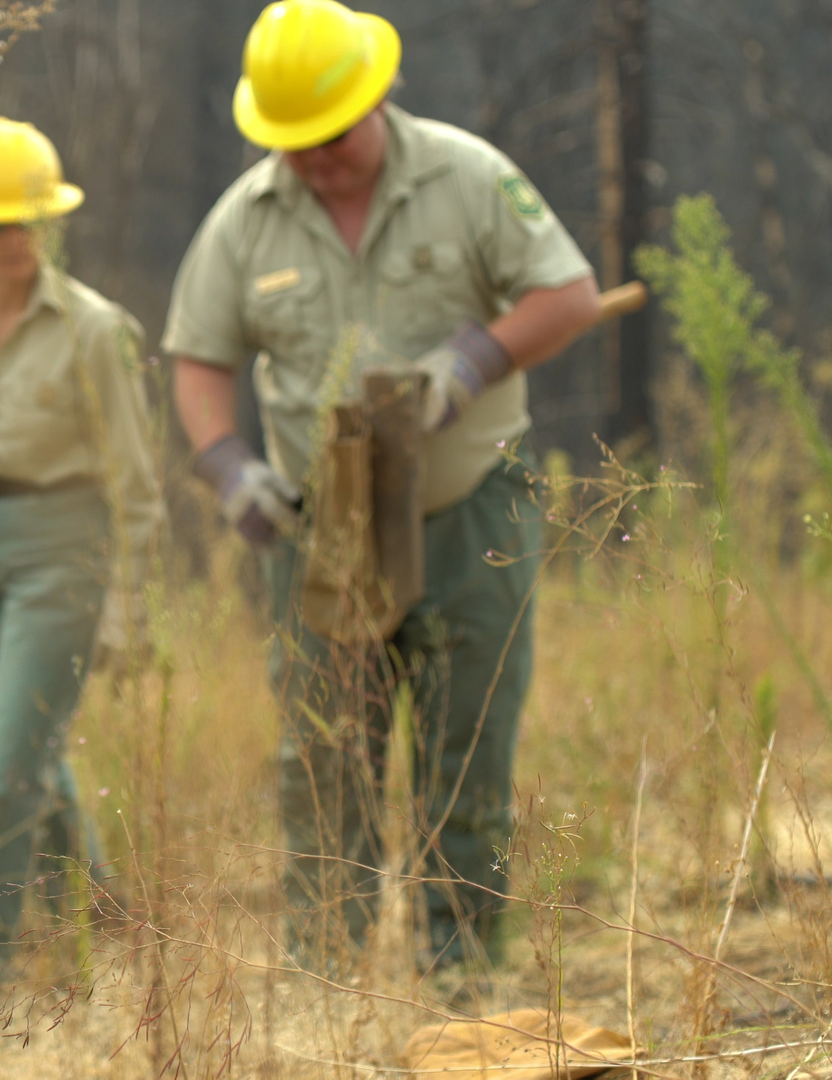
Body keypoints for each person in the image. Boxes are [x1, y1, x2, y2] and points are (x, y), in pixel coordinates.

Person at [164, 0, 601, 967]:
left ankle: (461, 976)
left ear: (379, 95)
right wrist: (230, 468)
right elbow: (198, 359)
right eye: (293, 143)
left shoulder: (468, 175)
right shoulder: (245, 221)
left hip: (467, 512)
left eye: (331, 136)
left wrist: (473, 361)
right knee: (326, 760)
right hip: (325, 532)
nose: (314, 159)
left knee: (466, 748)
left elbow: (567, 294)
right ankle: (332, 980)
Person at [0, 118, 162, 992]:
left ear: (50, 223)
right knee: (25, 747)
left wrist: (132, 605)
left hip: (63, 547)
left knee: (8, 760)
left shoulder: (97, 330)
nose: (10, 241)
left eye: (26, 222)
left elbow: (136, 483)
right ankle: (101, 910)